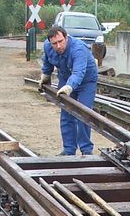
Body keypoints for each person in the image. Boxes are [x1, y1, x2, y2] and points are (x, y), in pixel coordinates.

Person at [38, 25, 98, 156]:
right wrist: (46, 75)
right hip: (65, 77)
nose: (58, 46)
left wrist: (69, 87)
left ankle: (86, 150)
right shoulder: (48, 47)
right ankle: (69, 150)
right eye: (54, 43)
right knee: (66, 115)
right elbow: (47, 61)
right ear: (50, 42)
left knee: (83, 114)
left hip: (86, 81)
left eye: (61, 42)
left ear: (66, 38)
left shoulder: (78, 49)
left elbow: (78, 72)